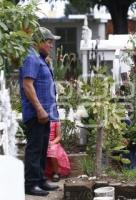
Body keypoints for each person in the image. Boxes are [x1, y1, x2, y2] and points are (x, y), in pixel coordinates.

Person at [19, 27, 61, 196]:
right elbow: (27, 85)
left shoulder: (41, 59)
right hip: (37, 114)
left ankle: (41, 180)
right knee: (35, 149)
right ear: (39, 42)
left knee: (43, 148)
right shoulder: (31, 58)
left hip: (45, 114)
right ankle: (30, 184)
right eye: (49, 42)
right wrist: (39, 109)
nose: (51, 45)